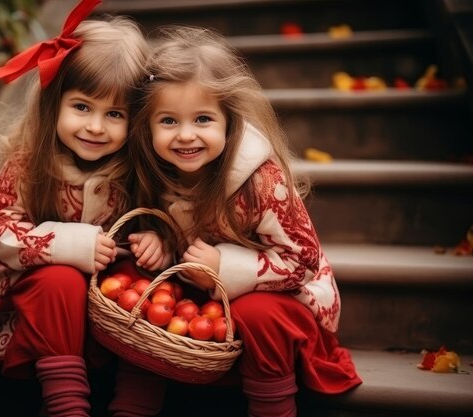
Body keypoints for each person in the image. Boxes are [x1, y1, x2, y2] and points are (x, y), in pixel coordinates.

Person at [128, 26, 362, 417]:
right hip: (209, 302)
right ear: (148, 126)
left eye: (203, 119)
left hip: (287, 302)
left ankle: (272, 407)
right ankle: (133, 405)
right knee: (143, 290)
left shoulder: (259, 182)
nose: (186, 135)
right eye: (168, 121)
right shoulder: (157, 172)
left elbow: (302, 262)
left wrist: (224, 267)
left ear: (228, 120)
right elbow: (181, 239)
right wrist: (161, 243)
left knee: (256, 313)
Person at [0, 1, 162, 415]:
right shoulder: (30, 162)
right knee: (59, 279)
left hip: (116, 308)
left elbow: (165, 217)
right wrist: (66, 244)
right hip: (47, 308)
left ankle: (136, 402)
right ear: (55, 101)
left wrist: (157, 240)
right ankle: (65, 404)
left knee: (149, 281)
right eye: (82, 107)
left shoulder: (137, 170)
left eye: (114, 114)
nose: (96, 127)